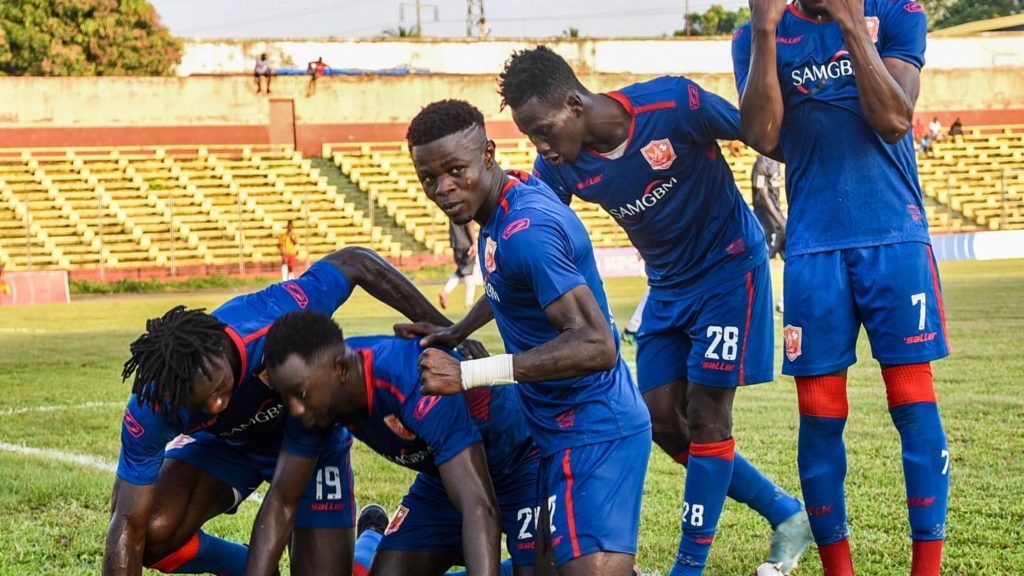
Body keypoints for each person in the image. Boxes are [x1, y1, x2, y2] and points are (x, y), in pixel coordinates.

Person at [499, 46, 811, 576]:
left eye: (543, 131)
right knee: (661, 419)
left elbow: (764, 135)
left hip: (729, 270)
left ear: (574, 104)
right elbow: (526, 240)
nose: (541, 147)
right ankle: (786, 514)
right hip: (665, 287)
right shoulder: (559, 169)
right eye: (531, 137)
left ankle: (687, 568)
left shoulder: (675, 103)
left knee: (708, 416)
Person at [734, 1, 951, 575]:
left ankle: (927, 570)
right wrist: (764, 30)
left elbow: (895, 118)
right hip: (813, 248)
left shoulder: (896, 11)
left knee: (913, 404)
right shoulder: (755, 33)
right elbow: (763, 135)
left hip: (894, 238)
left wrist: (852, 23)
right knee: (819, 415)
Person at [397, 99, 652, 576]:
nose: (443, 189)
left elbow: (597, 345)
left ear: (487, 154)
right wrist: (456, 331)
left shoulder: (525, 230)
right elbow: (509, 283)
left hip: (595, 430)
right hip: (552, 430)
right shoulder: (503, 203)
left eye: (455, 170)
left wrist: (469, 374)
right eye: (429, 178)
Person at [102, 247, 458, 576]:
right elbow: (127, 524)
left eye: (220, 388)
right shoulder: (155, 403)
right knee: (154, 530)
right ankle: (242, 564)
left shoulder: (271, 315)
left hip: (307, 441)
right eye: (199, 403)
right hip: (227, 447)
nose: (216, 406)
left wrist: (444, 329)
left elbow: (355, 262)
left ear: (221, 349)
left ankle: (370, 538)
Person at [251, 309, 540, 576]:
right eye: (285, 397)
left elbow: (478, 506)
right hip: (447, 476)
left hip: (523, 464)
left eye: (300, 394)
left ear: (340, 370)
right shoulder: (314, 398)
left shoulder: (409, 380)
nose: (295, 409)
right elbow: (281, 501)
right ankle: (373, 534)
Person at [439, 221, 482, 309]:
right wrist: (474, 242)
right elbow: (470, 223)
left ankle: (445, 292)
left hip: (456, 244)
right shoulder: (465, 212)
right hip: (466, 244)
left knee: (461, 271)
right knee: (469, 272)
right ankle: (469, 303)